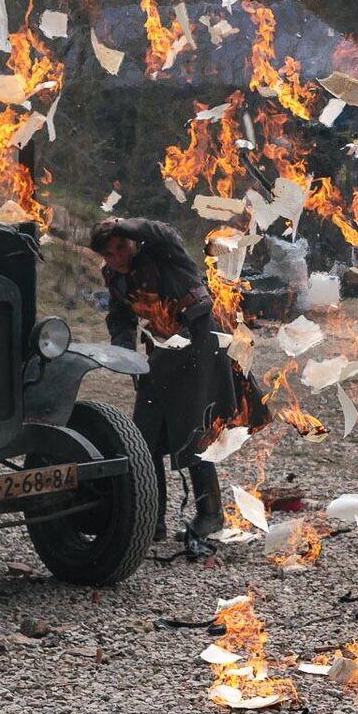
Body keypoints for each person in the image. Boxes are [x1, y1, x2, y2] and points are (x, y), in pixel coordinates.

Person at [91, 217, 237, 545]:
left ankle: (210, 514)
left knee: (193, 428)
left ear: (133, 240)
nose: (120, 255)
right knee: (144, 435)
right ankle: (150, 519)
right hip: (163, 348)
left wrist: (124, 224)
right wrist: (125, 357)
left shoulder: (162, 250)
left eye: (123, 245)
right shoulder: (115, 277)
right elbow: (120, 318)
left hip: (199, 338)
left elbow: (163, 230)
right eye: (111, 252)